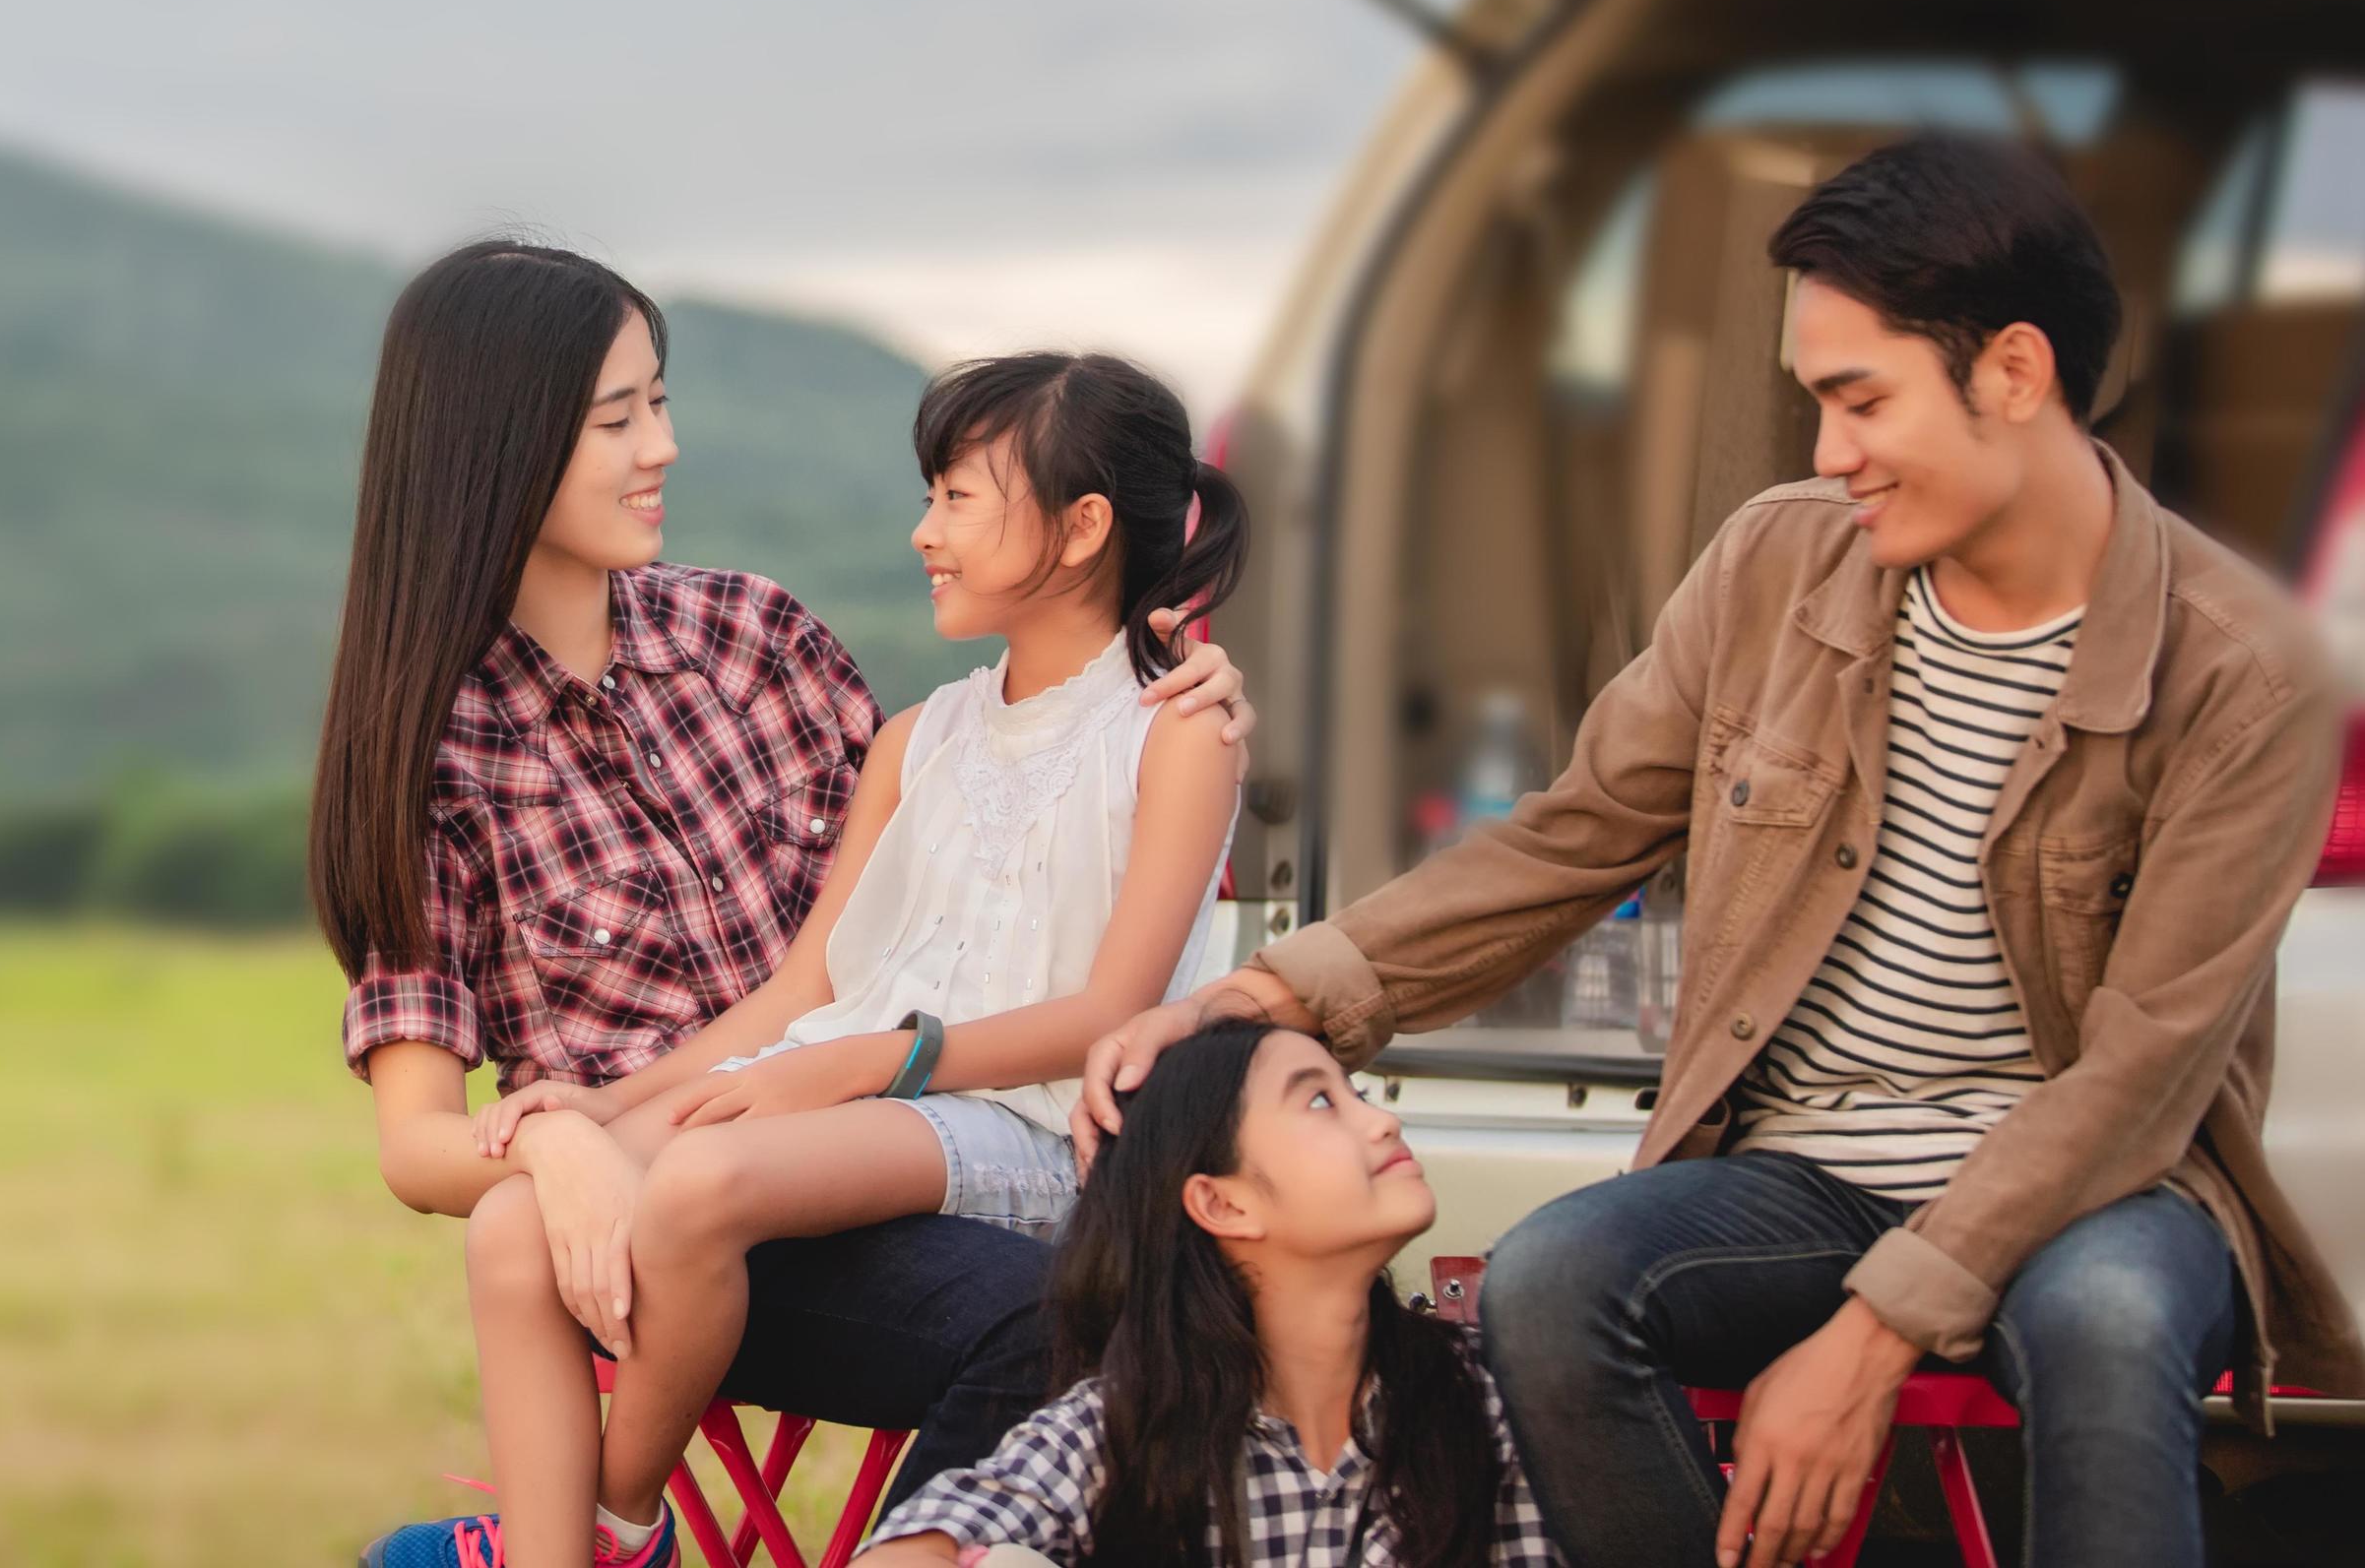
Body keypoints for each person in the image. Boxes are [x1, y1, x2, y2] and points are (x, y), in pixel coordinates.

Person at [1077, 135, 2364, 1568]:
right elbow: (1572, 836)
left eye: (1861, 400)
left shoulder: (2245, 670)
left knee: (2107, 1321)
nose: (1829, 454)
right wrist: (1273, 994)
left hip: (2101, 1187)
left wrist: (1872, 1335)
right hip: (1802, 1171)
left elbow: (2144, 1072)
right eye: (1814, 403)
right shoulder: (1772, 565)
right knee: (1554, 1278)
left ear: (2013, 371)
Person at [313, 244, 1252, 1568]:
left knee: (1070, 1321)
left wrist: (1182, 701)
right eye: (619, 416)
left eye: (662, 401)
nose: (666, 447)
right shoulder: (428, 758)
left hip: (880, 1156)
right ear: (503, 440)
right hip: (635, 1223)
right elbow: (418, 1149)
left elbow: (949, 914)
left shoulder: (758, 641)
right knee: (545, 1219)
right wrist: (556, 1140)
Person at [862, 1012, 1554, 1567]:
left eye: (1359, 1095)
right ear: (1222, 1205)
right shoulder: (1125, 1427)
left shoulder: (1490, 1394)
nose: (1383, 1121)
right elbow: (921, 1542)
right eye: (1320, 1100)